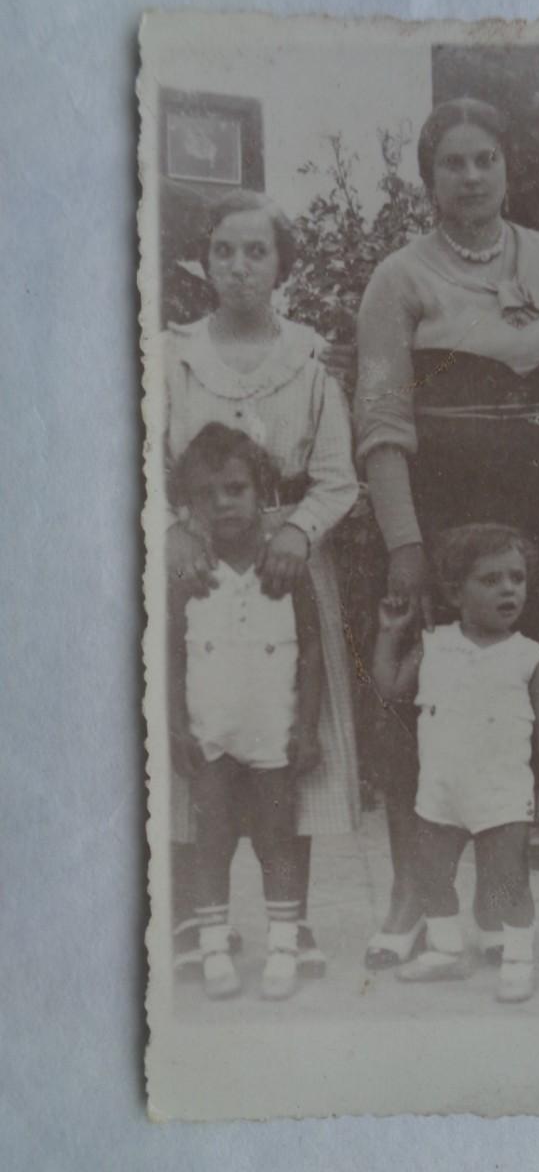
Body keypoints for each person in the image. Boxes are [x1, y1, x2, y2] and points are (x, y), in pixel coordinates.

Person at [355, 98, 539, 967]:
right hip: (446, 517)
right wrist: (406, 545)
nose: (471, 176)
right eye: (452, 163)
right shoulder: (400, 277)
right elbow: (381, 421)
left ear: (507, 165)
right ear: (428, 180)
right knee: (424, 712)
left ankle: (505, 905)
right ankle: (411, 898)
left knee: (521, 709)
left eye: (484, 159)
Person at [164, 189, 360, 977]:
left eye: (257, 252)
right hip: (192, 569)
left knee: (288, 738)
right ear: (203, 262)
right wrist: (175, 529)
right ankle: (189, 920)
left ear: (282, 264)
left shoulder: (309, 362)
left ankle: (293, 921)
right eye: (224, 251)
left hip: (285, 569)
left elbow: (339, 478)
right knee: (192, 736)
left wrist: (296, 531)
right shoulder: (173, 356)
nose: (240, 267)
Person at [372, 524, 539, 1003]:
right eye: (491, 579)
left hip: (501, 792)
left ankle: (518, 957)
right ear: (456, 593)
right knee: (431, 873)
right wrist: (388, 636)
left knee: (508, 879)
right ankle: (445, 949)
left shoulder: (530, 656)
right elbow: (390, 687)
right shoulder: (434, 643)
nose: (508, 589)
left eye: (516, 578)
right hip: (440, 790)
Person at [168, 425, 324, 1000]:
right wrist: (177, 727)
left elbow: (311, 650)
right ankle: (212, 945)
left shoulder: (284, 569)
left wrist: (306, 729)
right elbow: (167, 656)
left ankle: (283, 941)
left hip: (271, 735)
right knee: (210, 840)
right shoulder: (189, 576)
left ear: (263, 492)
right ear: (188, 503)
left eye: (235, 488)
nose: (222, 502)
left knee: (277, 838)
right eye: (206, 493)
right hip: (211, 735)